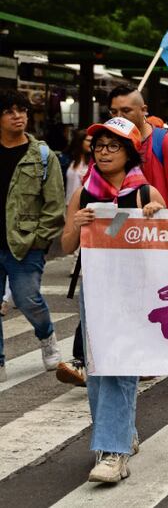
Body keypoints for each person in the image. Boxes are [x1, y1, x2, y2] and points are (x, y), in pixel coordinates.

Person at [60, 116, 166, 483]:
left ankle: (112, 452)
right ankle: (122, 433)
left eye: (113, 146)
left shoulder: (145, 193)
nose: (104, 153)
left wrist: (156, 217)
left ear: (130, 153)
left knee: (120, 364)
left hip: (134, 291)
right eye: (99, 146)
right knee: (97, 368)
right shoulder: (84, 194)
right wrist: (77, 224)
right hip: (95, 291)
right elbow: (66, 245)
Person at [0, 91, 64, 383]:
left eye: (22, 110)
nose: (18, 116)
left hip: (25, 244)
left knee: (28, 299)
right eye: (9, 111)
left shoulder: (42, 156)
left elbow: (54, 205)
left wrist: (38, 239)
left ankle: (46, 335)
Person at [108, 85, 168, 209]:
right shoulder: (105, 143)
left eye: (126, 111)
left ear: (143, 110)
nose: (119, 117)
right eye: (114, 112)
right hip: (115, 218)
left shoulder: (163, 141)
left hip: (154, 219)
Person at [63, 129, 92, 203]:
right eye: (89, 141)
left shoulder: (94, 162)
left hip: (83, 204)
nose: (92, 143)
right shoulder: (68, 159)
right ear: (80, 141)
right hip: (67, 203)